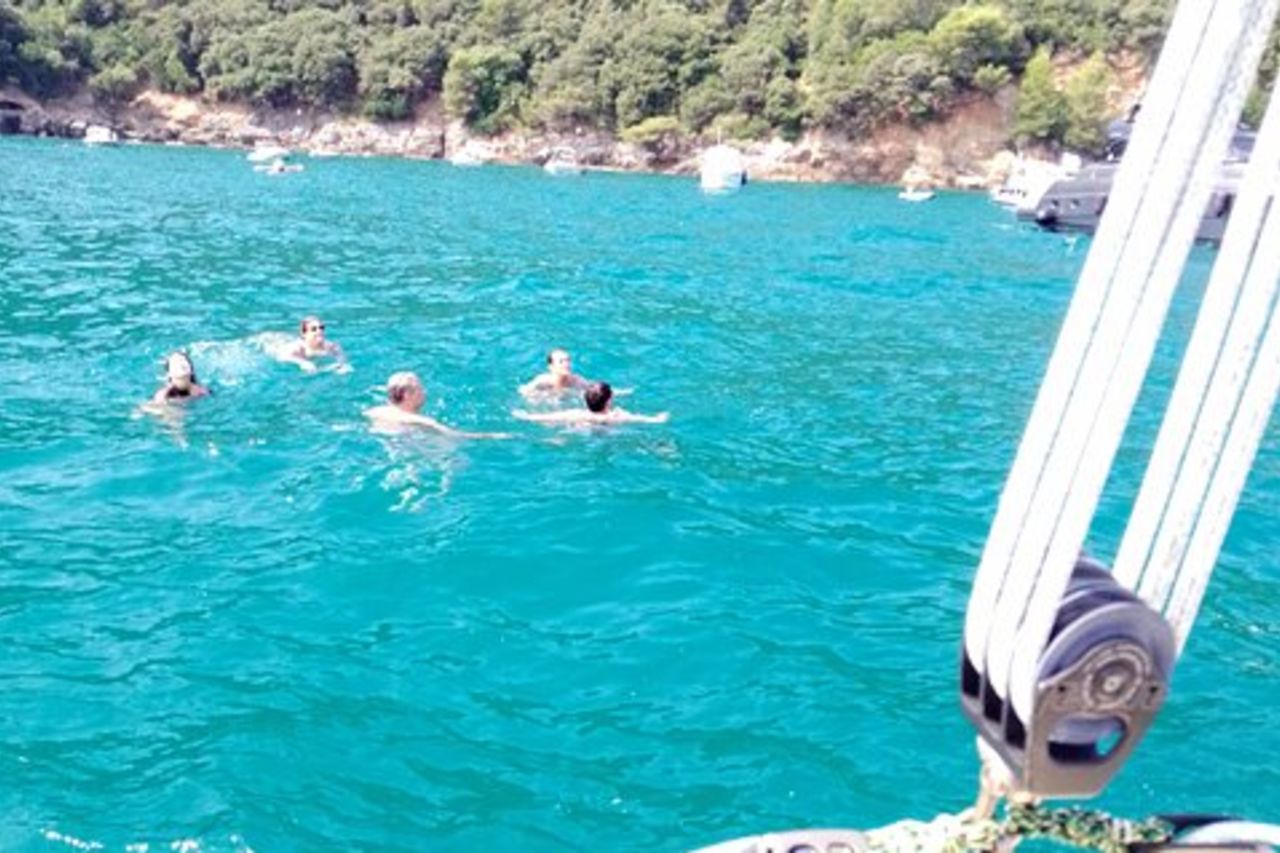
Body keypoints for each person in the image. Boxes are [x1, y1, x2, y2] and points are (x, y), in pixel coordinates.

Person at [365, 372, 511, 439]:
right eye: (420, 389)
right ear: (407, 395)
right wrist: (493, 436)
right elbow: (457, 435)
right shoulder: (421, 421)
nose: (424, 393)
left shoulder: (373, 412)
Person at [512, 382, 668, 426]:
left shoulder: (576, 414)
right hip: (609, 434)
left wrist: (527, 416)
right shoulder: (617, 416)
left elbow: (545, 417)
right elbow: (647, 420)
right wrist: (659, 417)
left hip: (581, 429)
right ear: (609, 400)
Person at [279, 316, 348, 374]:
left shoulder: (331, 346)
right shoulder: (299, 348)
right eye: (313, 329)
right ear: (304, 334)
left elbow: (341, 358)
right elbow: (282, 357)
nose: (319, 331)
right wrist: (302, 362)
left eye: (321, 327)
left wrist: (342, 365)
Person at [518, 348, 590, 398]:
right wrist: (539, 396)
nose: (566, 364)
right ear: (551, 366)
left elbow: (592, 390)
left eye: (568, 360)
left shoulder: (577, 380)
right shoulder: (543, 381)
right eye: (561, 362)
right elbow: (523, 391)